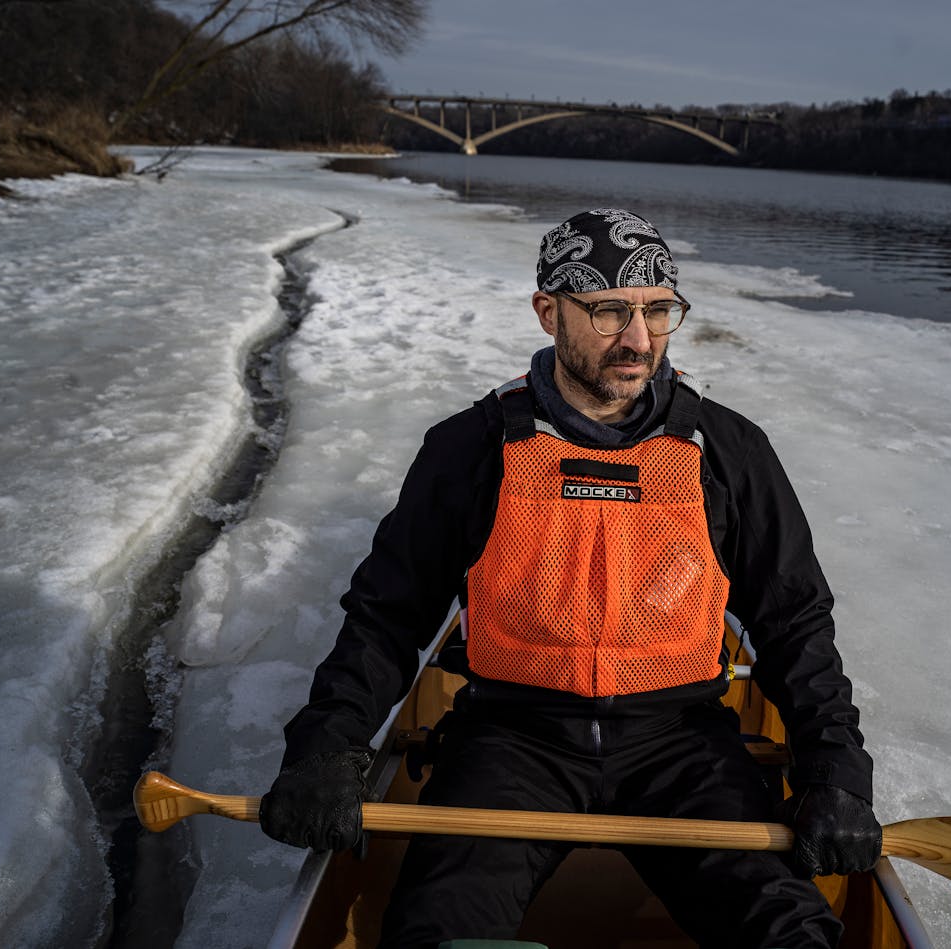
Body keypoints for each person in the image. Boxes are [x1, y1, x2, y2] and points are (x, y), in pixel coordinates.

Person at [259, 209, 881, 949]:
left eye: (658, 312)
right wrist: (330, 742)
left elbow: (793, 623)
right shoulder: (472, 448)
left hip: (681, 745)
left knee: (792, 932)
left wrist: (834, 766)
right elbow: (387, 615)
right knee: (435, 932)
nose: (639, 339)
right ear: (549, 310)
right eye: (611, 310)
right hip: (512, 740)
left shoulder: (729, 453)